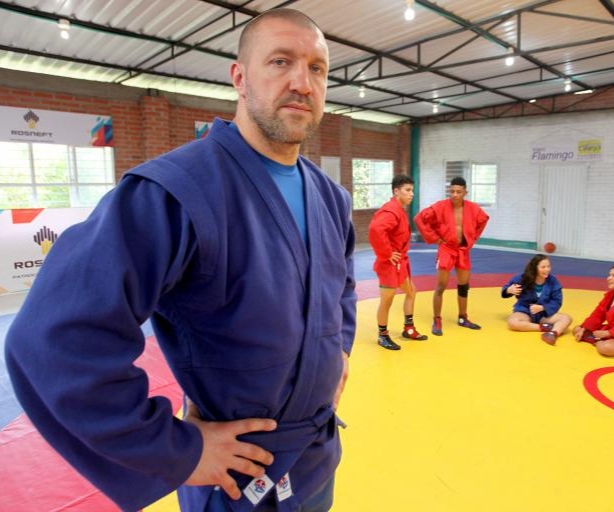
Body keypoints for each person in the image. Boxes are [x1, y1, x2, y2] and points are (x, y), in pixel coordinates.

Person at [5, 9, 357, 512]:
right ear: (240, 77)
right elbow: (53, 340)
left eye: (317, 68)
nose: (302, 82)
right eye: (281, 62)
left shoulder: (330, 197)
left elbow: (341, 284)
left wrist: (340, 349)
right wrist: (178, 450)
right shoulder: (175, 191)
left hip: (316, 457)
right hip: (234, 475)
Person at [414, 176, 489, 336]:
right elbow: (420, 218)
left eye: (458, 192)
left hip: (462, 250)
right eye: (452, 191)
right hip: (446, 249)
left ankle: (463, 317)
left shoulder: (473, 208)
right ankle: (437, 319)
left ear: (465, 192)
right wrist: (434, 238)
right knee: (441, 286)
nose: (455, 195)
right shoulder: (440, 206)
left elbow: (483, 220)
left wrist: (472, 237)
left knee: (463, 286)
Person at [368, 174, 427, 351]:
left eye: (412, 191)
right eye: (407, 190)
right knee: (387, 301)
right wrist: (386, 253)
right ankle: (383, 335)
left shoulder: (398, 209)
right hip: (389, 265)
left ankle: (408, 328)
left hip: (399, 262)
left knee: (411, 291)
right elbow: (375, 230)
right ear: (396, 191)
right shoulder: (391, 210)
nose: (411, 194)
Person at [501, 254, 572, 345]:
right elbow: (505, 291)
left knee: (566, 318)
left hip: (544, 315)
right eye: (543, 267)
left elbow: (557, 301)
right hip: (525, 312)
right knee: (512, 322)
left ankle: (552, 333)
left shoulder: (553, 281)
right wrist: (508, 290)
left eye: (548, 266)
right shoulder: (522, 278)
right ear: (535, 268)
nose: (547, 269)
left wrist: (543, 307)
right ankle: (543, 327)